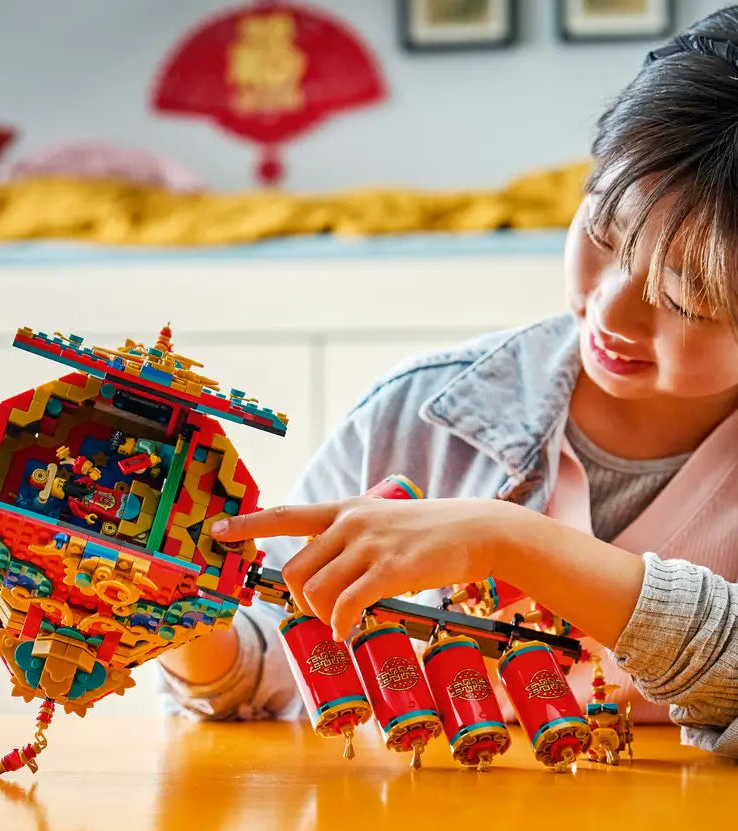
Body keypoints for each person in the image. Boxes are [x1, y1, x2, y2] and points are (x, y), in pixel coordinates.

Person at [158, 8, 738, 757]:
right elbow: (267, 664)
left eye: (686, 295)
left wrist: (511, 541)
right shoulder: (420, 418)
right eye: (601, 233)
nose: (611, 308)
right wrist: (173, 613)